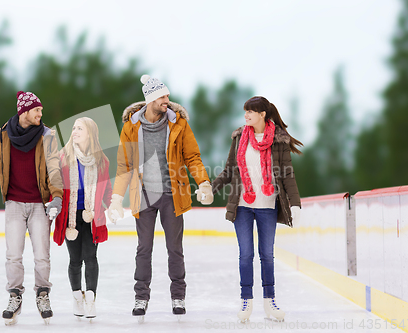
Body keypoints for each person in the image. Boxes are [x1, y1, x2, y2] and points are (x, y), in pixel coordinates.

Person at [107, 74, 214, 317]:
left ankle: (178, 297)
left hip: (171, 195)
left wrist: (204, 183)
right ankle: (140, 298)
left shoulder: (178, 124)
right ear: (151, 99)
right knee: (143, 248)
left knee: (174, 248)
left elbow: (192, 157)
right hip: (142, 195)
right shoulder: (131, 128)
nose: (167, 100)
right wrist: (116, 198)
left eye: (167, 95)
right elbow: (124, 166)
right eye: (163, 96)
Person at [0, 91, 63, 325]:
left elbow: (54, 167)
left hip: (39, 204)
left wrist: (57, 196)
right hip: (14, 203)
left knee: (42, 256)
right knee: (13, 255)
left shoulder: (47, 135)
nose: (41, 114)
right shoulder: (3, 135)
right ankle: (15, 297)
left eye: (41, 110)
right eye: (37, 110)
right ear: (24, 112)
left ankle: (43, 294)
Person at [212, 96, 302, 322]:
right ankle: (246, 301)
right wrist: (211, 189)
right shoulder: (239, 137)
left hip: (268, 206)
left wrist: (295, 203)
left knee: (267, 255)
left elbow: (287, 175)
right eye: (245, 112)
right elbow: (229, 170)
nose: (246, 116)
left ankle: (270, 302)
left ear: (262, 114)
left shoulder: (278, 141)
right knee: (245, 255)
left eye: (250, 112)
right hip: (242, 205)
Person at [53, 117, 112, 319]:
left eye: (80, 128)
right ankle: (77, 296)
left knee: (91, 257)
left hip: (92, 217)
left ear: (90, 133)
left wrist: (112, 206)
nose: (75, 131)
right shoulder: (63, 158)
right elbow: (54, 186)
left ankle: (91, 300)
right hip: (69, 217)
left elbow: (107, 192)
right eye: (74, 128)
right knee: (75, 260)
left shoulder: (102, 161)